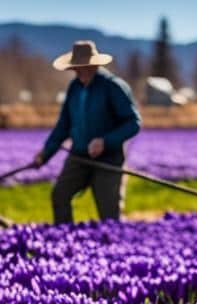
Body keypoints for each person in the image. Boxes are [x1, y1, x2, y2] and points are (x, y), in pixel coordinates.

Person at [33, 40, 142, 224]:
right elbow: (63, 126)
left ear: (94, 65)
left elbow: (133, 123)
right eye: (76, 68)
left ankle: (110, 247)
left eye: (82, 67)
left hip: (108, 159)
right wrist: (45, 153)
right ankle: (65, 241)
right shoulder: (75, 88)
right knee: (60, 195)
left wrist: (105, 142)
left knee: (108, 212)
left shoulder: (113, 86)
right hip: (79, 156)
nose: (78, 71)